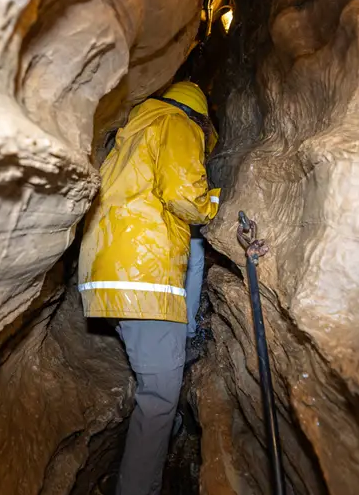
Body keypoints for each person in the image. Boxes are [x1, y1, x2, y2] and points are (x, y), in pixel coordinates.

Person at [78, 81, 219, 495]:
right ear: (198, 117)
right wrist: (214, 202)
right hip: (144, 274)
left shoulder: (131, 133)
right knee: (158, 395)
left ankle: (170, 423)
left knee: (158, 378)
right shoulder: (177, 124)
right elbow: (185, 196)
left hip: (107, 268)